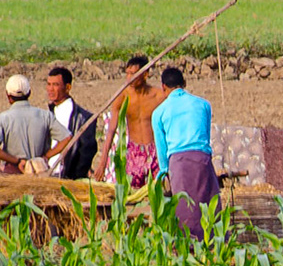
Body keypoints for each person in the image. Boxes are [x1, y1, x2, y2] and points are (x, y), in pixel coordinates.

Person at [151, 67, 220, 240]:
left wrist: (164, 172)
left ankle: (187, 246)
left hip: (178, 162)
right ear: (185, 84)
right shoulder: (204, 105)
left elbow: (162, 149)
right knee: (208, 203)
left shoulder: (159, 112)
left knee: (184, 208)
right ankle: (213, 244)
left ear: (163, 88)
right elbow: (205, 138)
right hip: (202, 159)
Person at [92, 55, 168, 186]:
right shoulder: (122, 96)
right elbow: (111, 129)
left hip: (155, 150)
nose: (129, 78)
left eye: (133, 74)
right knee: (132, 192)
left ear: (145, 74)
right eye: (127, 74)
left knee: (159, 191)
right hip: (134, 152)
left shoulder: (158, 95)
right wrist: (103, 161)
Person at [0, 75, 68, 176]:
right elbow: (67, 138)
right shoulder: (45, 115)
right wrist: (46, 157)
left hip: (13, 176)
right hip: (40, 174)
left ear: (8, 96)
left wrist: (17, 161)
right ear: (29, 93)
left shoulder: (1, 119)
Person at [45, 67, 97, 181]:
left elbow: (86, 154)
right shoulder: (46, 114)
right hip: (46, 175)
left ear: (68, 87)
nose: (50, 89)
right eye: (49, 84)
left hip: (68, 179)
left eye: (55, 85)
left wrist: (73, 179)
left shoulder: (83, 119)